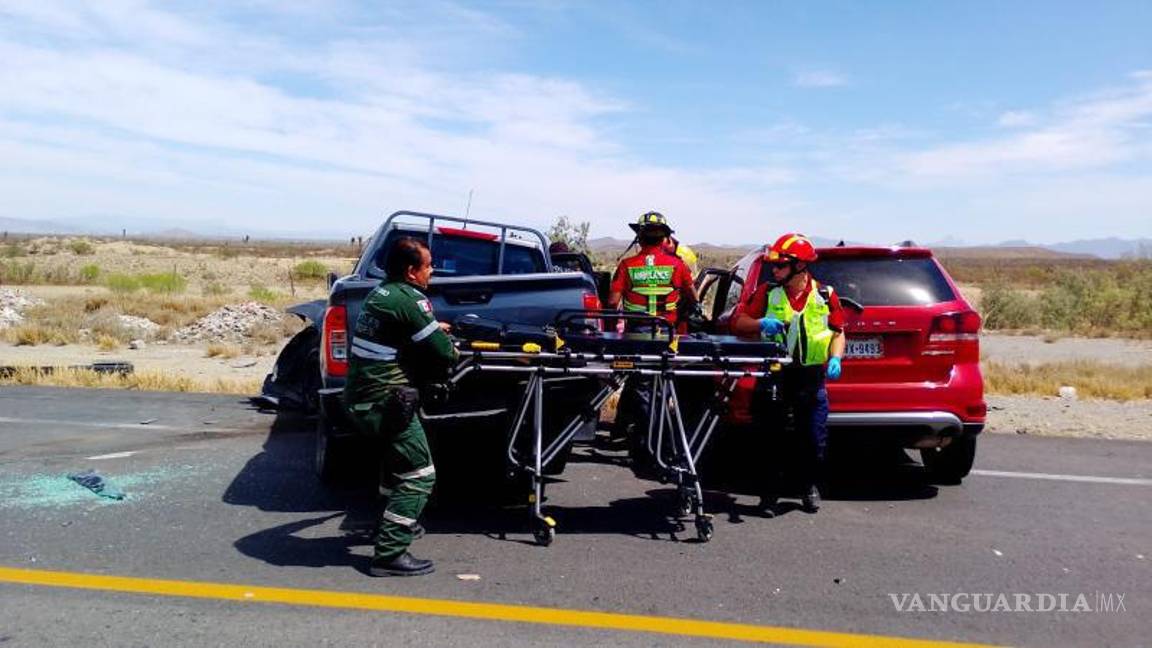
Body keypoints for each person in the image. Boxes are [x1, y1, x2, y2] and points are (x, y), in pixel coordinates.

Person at [343, 237, 458, 576]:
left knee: (396, 467)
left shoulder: (382, 292)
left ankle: (389, 525)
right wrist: (450, 344)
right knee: (421, 474)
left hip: (361, 396)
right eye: (428, 265)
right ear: (411, 271)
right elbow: (443, 353)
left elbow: (405, 330)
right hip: (383, 400)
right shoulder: (410, 300)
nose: (432, 271)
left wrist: (432, 330)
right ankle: (390, 552)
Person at [731, 232, 845, 514]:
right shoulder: (768, 292)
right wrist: (760, 325)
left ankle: (809, 487)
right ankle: (768, 495)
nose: (775, 269)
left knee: (813, 438)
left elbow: (838, 333)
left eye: (781, 265)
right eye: (774, 265)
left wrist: (836, 358)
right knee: (770, 438)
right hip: (775, 377)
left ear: (800, 266)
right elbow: (738, 322)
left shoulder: (825, 295)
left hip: (810, 379)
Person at [606, 211, 699, 446]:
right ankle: (653, 439)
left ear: (639, 237)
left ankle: (648, 440)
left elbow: (611, 302)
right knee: (657, 386)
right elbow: (693, 299)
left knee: (640, 384)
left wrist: (609, 333)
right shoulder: (678, 266)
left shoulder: (627, 265)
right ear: (664, 239)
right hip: (668, 338)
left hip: (635, 338)